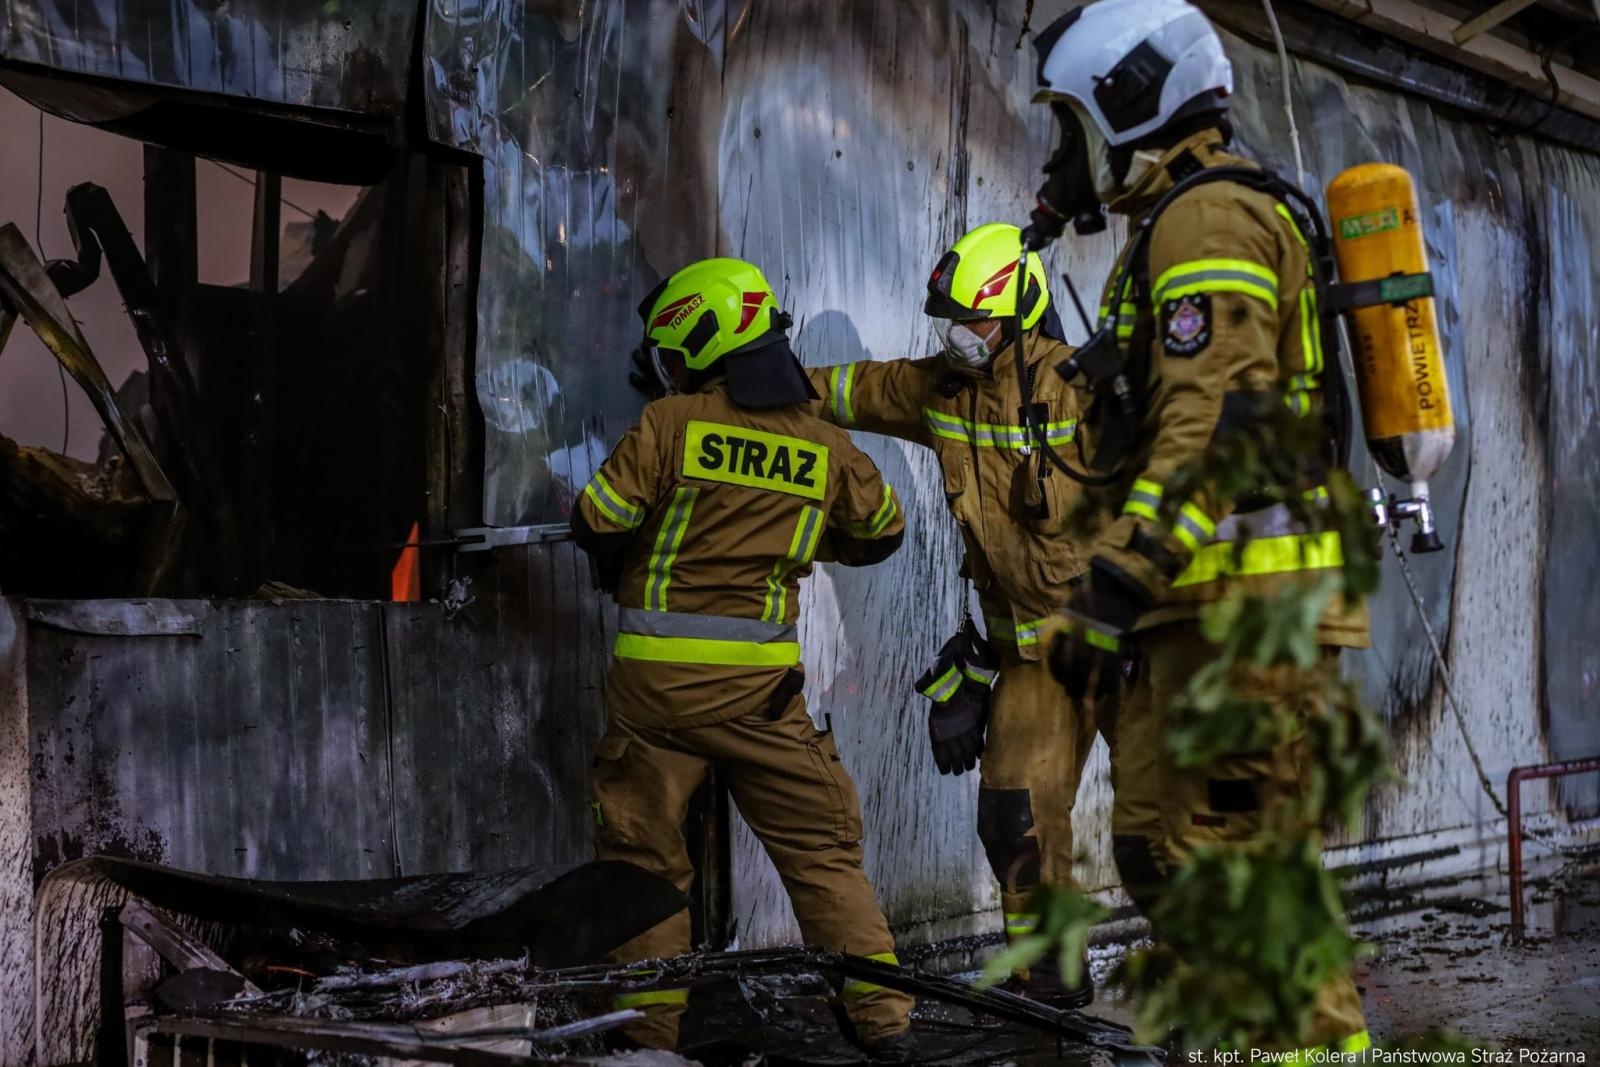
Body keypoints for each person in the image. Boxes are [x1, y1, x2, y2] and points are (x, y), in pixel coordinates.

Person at [1027, 0, 1370, 1053]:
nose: (1064, 152)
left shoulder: (1206, 220)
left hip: (1244, 616)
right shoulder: (1174, 220)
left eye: (1070, 124)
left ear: (1127, 104)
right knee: (1166, 850)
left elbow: (1211, 422)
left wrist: (1113, 582)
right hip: (1207, 614)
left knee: (1227, 866)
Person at [571, 256, 917, 1058]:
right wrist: (800, 537)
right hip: (760, 702)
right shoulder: (826, 445)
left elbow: (598, 519)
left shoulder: (669, 424)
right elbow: (884, 531)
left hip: (652, 701)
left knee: (646, 865)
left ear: (704, 342)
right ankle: (886, 1025)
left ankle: (647, 1037)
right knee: (822, 856)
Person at [806, 222, 1098, 1008]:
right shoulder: (942, 387)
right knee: (1015, 819)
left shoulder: (1086, 387)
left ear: (1022, 308)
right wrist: (752, 380)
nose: (962, 339)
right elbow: (851, 389)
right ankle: (1052, 990)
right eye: (955, 323)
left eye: (977, 322)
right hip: (1037, 659)